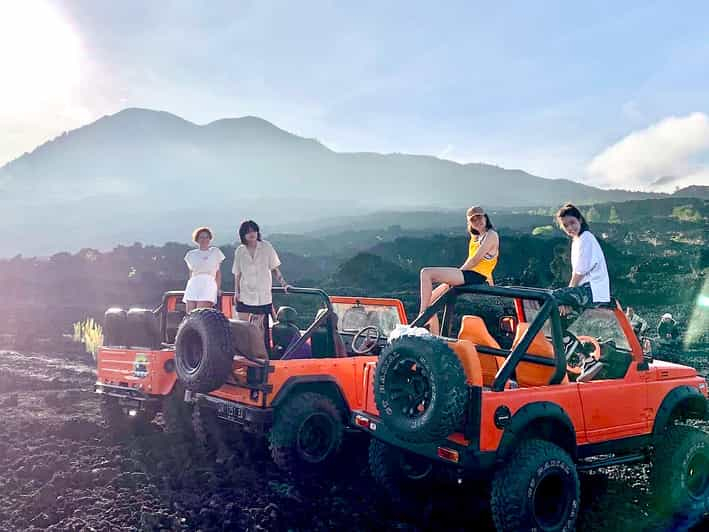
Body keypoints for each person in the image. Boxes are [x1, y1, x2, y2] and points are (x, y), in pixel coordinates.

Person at [418, 206, 499, 334]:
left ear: (485, 217)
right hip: (472, 274)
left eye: (479, 216)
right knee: (430, 300)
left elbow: (475, 261)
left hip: (474, 276)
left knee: (426, 273)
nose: (477, 220)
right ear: (469, 223)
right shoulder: (476, 237)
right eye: (473, 219)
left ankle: (421, 317)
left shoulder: (491, 235)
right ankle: (435, 338)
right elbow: (488, 262)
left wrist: (458, 273)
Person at [553, 203, 610, 381]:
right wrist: (567, 298)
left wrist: (566, 297)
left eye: (572, 222)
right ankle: (588, 361)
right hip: (585, 290)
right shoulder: (577, 240)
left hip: (591, 290)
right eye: (566, 226)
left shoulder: (586, 238)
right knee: (558, 326)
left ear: (580, 219)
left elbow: (579, 272)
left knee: (550, 297)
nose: (570, 228)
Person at [232, 220, 291, 349]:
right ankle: (244, 356)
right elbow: (237, 273)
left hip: (262, 296)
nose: (251, 234)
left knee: (260, 331)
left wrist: (283, 284)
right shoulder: (240, 251)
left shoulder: (266, 247)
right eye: (247, 232)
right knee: (242, 329)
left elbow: (274, 268)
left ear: (257, 232)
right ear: (243, 235)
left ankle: (262, 357)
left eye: (253, 230)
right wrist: (236, 291)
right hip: (245, 294)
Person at [183, 227, 225, 313]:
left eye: (206, 237)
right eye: (201, 237)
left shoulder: (215, 252)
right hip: (194, 284)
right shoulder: (191, 254)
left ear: (210, 239)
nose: (204, 239)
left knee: (200, 314)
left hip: (208, 284)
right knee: (190, 314)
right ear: (197, 239)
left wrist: (218, 288)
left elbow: (218, 272)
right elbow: (191, 273)